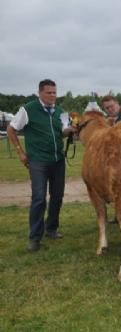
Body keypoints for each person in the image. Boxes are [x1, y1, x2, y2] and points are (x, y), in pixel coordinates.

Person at [7, 79, 74, 251]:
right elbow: (11, 129)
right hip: (38, 161)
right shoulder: (28, 109)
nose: (53, 95)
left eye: (54, 92)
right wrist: (20, 152)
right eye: (49, 92)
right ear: (40, 93)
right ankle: (35, 237)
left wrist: (71, 130)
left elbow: (64, 132)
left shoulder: (61, 112)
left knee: (57, 196)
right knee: (38, 198)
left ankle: (51, 229)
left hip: (58, 160)